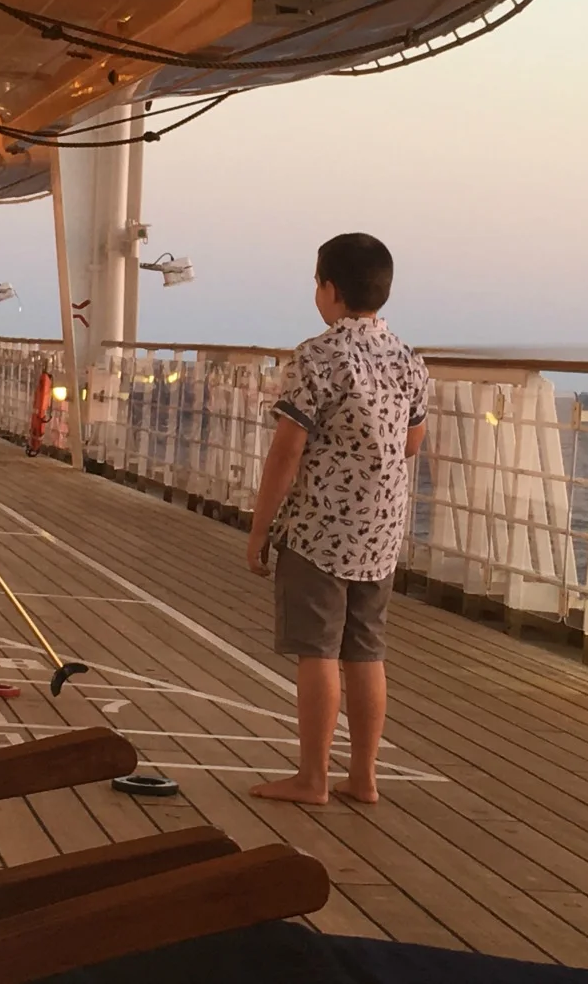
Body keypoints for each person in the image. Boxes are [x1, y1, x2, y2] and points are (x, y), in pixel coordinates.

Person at [245, 233, 428, 805]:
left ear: (330, 289)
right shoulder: (407, 359)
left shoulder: (318, 356)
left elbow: (286, 452)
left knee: (317, 652)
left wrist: (258, 529)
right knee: (366, 653)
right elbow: (412, 442)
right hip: (380, 531)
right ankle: (365, 777)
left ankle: (312, 777)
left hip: (320, 530)